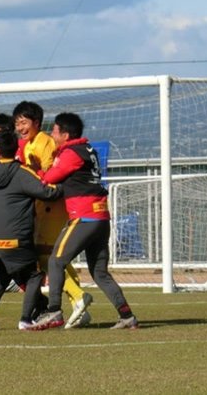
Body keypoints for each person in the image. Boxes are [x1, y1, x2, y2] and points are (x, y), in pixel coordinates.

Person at [30, 112, 138, 330]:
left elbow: (49, 179)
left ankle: (54, 312)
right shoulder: (88, 150)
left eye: (55, 131)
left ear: (66, 134)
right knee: (99, 273)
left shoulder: (71, 152)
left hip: (84, 217)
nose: (52, 134)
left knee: (55, 261)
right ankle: (127, 316)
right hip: (101, 218)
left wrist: (36, 170)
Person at [13, 101, 93, 329]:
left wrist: (33, 173)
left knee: (48, 258)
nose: (20, 127)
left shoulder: (45, 143)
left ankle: (78, 298)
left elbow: (51, 177)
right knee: (57, 259)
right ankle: (79, 307)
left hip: (52, 208)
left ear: (36, 123)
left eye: (24, 122)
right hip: (41, 208)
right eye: (17, 123)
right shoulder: (28, 145)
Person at [0, 129, 62, 331]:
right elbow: (47, 193)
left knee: (3, 277)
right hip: (15, 239)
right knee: (34, 276)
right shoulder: (22, 172)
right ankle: (25, 319)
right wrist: (65, 186)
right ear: (17, 147)